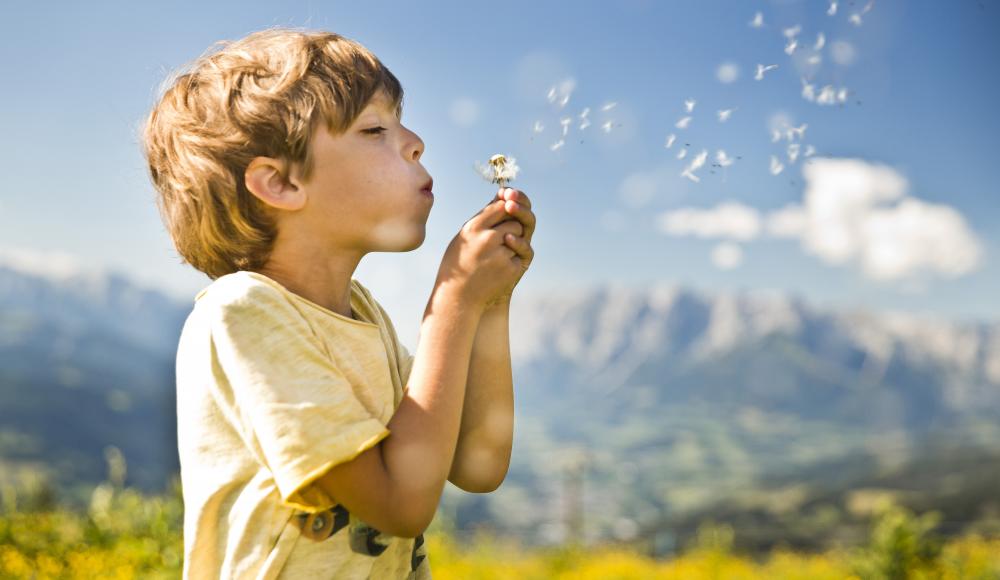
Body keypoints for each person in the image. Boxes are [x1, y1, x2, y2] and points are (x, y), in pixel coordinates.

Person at [140, 26, 536, 579]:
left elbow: (477, 463)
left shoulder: (360, 316)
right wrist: (454, 299)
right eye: (375, 128)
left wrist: (490, 300)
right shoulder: (243, 315)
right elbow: (402, 504)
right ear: (279, 183)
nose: (415, 140)